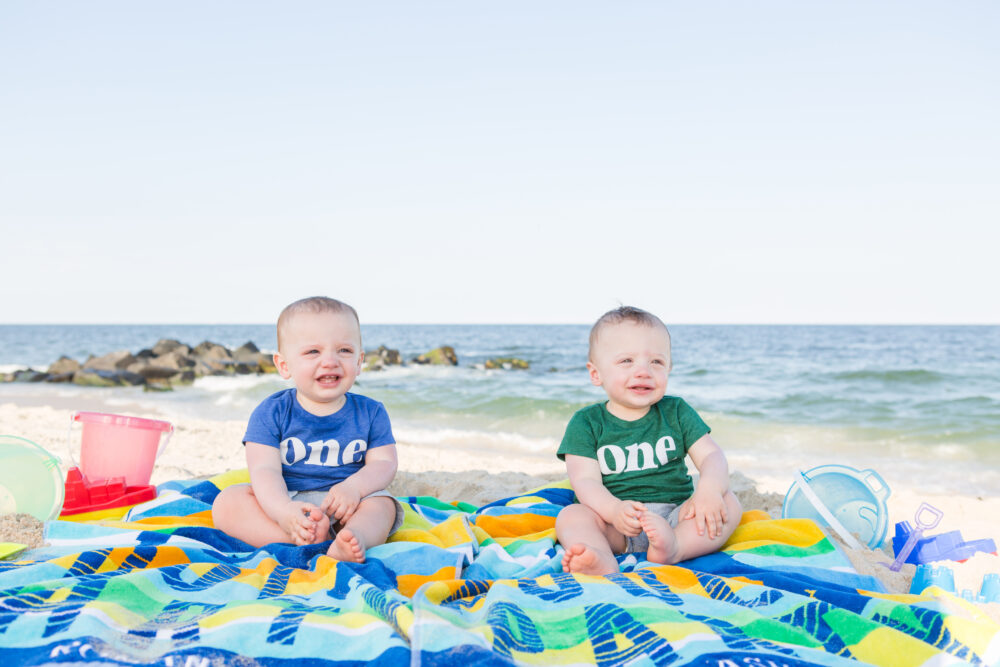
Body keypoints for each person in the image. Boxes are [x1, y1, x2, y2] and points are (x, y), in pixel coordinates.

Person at [212, 296, 403, 563]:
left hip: (349, 504)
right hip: (290, 501)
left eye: (344, 350)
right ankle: (301, 538)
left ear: (359, 361)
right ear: (284, 365)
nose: (330, 361)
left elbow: (384, 463)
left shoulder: (371, 412)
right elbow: (264, 470)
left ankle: (353, 538)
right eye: (313, 352)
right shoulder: (272, 412)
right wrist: (283, 511)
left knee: (383, 505)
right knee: (227, 502)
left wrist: (354, 488)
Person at [555, 306, 742, 575]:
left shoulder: (676, 411)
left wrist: (709, 491)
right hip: (616, 524)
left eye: (656, 362)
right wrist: (613, 510)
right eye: (626, 361)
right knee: (571, 516)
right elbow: (585, 481)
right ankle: (601, 558)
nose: (643, 371)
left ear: (669, 368)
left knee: (729, 502)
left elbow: (711, 455)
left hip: (677, 518)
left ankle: (676, 547)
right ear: (596, 374)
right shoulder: (586, 422)